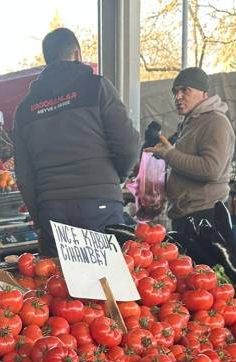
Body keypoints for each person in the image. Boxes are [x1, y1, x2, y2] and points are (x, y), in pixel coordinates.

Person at [13, 27, 141, 253]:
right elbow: (129, 144)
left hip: (52, 209)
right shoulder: (96, 87)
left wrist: (41, 214)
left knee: (60, 284)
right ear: (78, 55)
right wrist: (113, 179)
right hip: (100, 203)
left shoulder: (25, 109)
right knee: (108, 283)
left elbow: (24, 176)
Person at [149, 67, 234, 231]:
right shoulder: (191, 123)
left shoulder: (215, 122)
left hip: (205, 219)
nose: (178, 97)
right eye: (175, 91)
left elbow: (211, 169)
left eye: (185, 90)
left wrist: (169, 154)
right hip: (187, 215)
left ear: (204, 94)